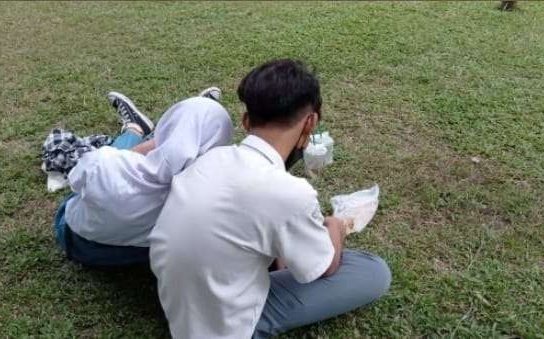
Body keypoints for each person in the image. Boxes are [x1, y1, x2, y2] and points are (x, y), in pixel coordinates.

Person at [149, 59, 391, 338]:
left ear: (245, 120)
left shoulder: (209, 159)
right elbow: (326, 267)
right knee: (373, 271)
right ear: (310, 122)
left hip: (178, 301)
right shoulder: (291, 193)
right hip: (223, 325)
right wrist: (335, 225)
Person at [53, 88, 233, 267]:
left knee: (97, 177)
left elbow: (75, 184)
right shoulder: (213, 195)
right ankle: (186, 136)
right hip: (143, 255)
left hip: (80, 244)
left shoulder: (104, 163)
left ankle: (135, 129)